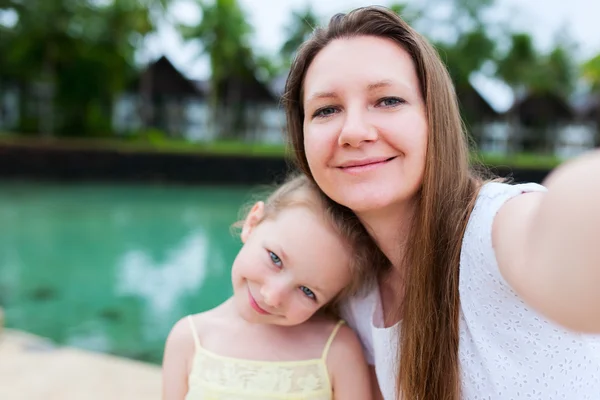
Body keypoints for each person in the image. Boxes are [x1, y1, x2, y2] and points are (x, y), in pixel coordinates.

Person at [282, 5, 600, 400]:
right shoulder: (359, 297)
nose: (354, 131)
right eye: (326, 110)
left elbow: (559, 237)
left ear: (435, 118)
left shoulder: (492, 227)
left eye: (387, 100)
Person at [161, 174, 387, 400]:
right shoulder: (189, 340)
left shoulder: (339, 351)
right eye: (275, 259)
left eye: (308, 292)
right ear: (253, 223)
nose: (272, 297)